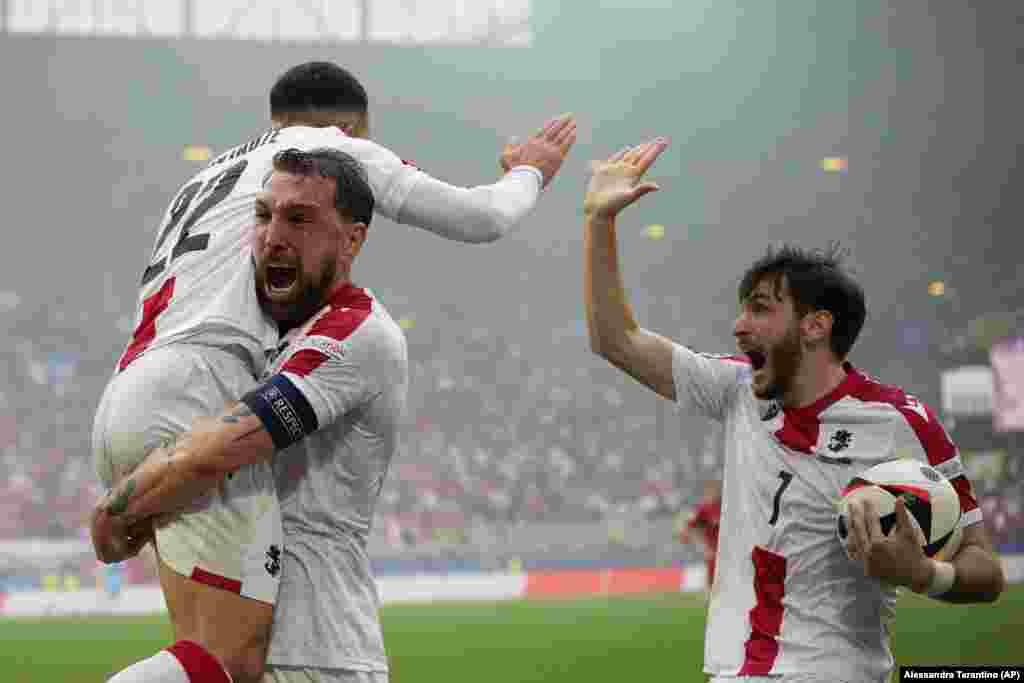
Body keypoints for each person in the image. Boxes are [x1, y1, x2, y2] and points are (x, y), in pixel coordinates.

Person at [91, 61, 575, 683]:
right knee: (227, 659)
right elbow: (484, 218)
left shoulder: (208, 177)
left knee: (200, 659)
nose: (274, 234)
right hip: (194, 395)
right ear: (354, 127)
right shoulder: (327, 153)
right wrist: (530, 171)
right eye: (275, 218)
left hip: (126, 391)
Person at [580, 139, 1006, 682]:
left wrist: (923, 573)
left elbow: (985, 569)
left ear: (815, 325)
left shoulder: (902, 421)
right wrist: (598, 222)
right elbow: (615, 339)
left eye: (760, 309)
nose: (739, 326)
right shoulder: (737, 391)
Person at [679, 478, 722, 591]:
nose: (713, 493)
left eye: (715, 490)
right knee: (712, 578)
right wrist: (704, 546)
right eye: (710, 490)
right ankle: (711, 597)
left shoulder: (726, 506)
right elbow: (691, 528)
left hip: (728, 550)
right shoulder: (705, 509)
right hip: (714, 551)